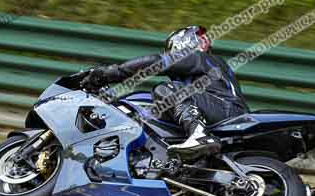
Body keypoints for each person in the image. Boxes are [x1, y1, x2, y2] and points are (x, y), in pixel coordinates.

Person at [81, 25, 249, 159]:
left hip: (228, 111)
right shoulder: (203, 69)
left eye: (202, 38)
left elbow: (156, 63)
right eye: (199, 37)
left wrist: (108, 74)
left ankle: (199, 134)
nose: (205, 40)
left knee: (166, 89)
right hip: (225, 113)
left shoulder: (200, 58)